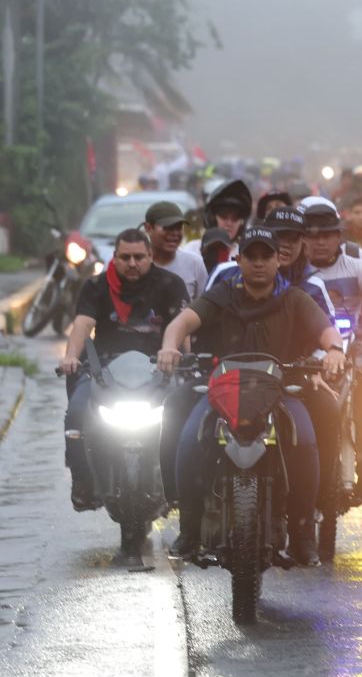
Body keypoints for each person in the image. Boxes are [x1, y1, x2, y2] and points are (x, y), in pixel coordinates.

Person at [159, 227, 346, 563]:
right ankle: (189, 529)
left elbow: (326, 330)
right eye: (252, 256)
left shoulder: (294, 298)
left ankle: (303, 534)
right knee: (188, 435)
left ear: (278, 260)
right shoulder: (221, 296)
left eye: (266, 256)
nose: (259, 263)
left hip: (281, 390)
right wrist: (169, 346)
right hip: (223, 389)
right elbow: (181, 323)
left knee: (306, 439)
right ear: (239, 260)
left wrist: (334, 350)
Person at [58, 228, 189, 510]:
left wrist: (187, 359)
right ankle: (83, 480)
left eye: (139, 257)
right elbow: (82, 324)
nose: (132, 263)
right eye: (125, 257)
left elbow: (182, 327)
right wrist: (70, 356)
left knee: (186, 419)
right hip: (104, 369)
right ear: (115, 258)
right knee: (76, 413)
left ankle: (179, 486)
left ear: (150, 256)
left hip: (159, 369)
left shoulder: (171, 284)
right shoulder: (96, 286)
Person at [303, 200, 362, 513]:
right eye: (312, 235)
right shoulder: (294, 269)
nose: (320, 242)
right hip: (304, 352)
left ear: (339, 236)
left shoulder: (358, 263)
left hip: (355, 347)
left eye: (327, 235)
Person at [143, 201, 208, 299]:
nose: (174, 233)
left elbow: (205, 304)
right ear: (148, 228)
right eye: (168, 228)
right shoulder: (136, 263)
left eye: (178, 227)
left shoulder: (195, 263)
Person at [182, 179, 252, 259]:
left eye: (235, 218)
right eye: (224, 216)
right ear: (211, 219)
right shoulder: (192, 250)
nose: (229, 223)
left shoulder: (245, 256)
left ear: (241, 224)